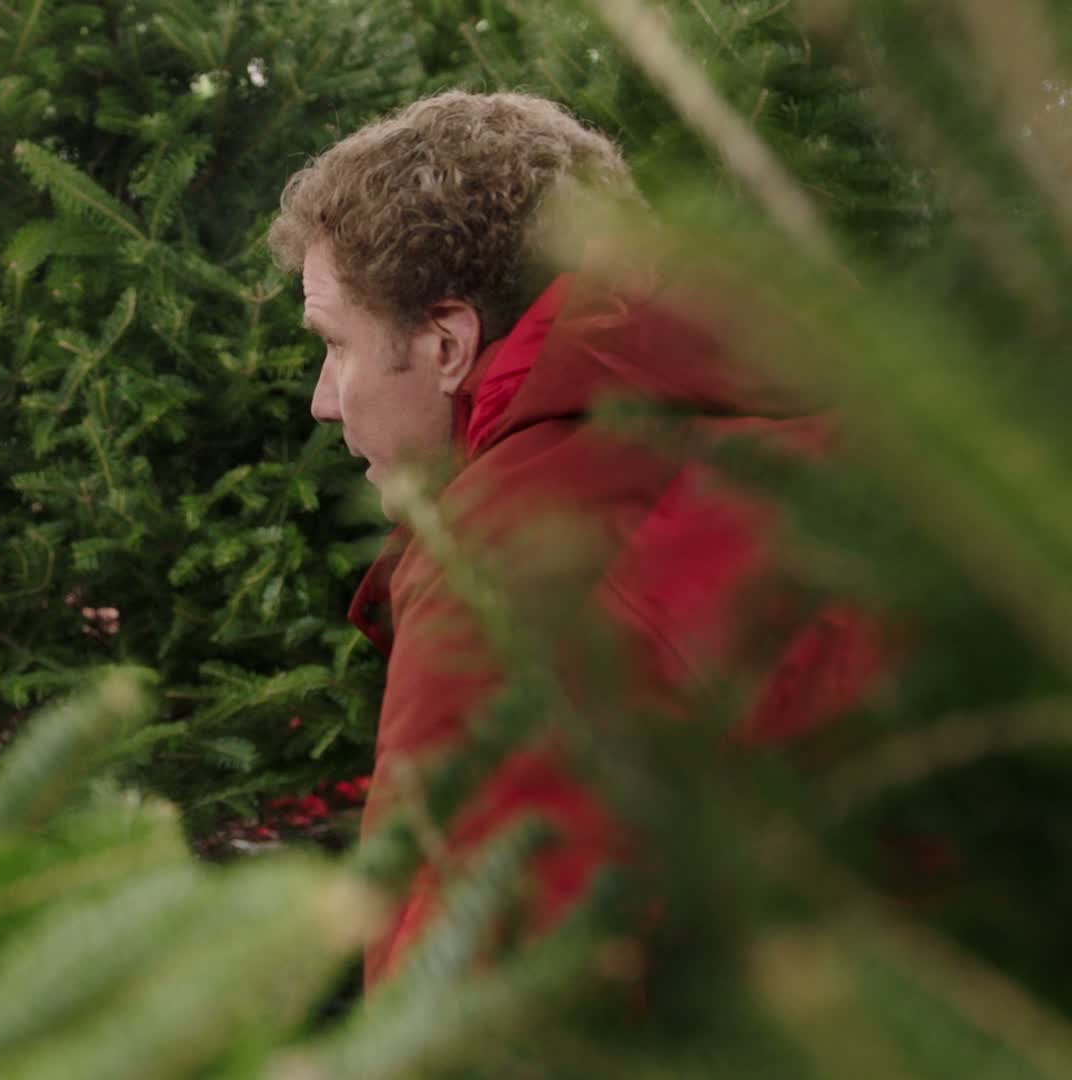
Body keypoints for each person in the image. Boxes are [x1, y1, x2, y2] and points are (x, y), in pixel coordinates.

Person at [269, 92, 880, 985]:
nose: (323, 401)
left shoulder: (502, 556)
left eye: (336, 344)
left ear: (446, 344)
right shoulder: (819, 427)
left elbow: (467, 986)